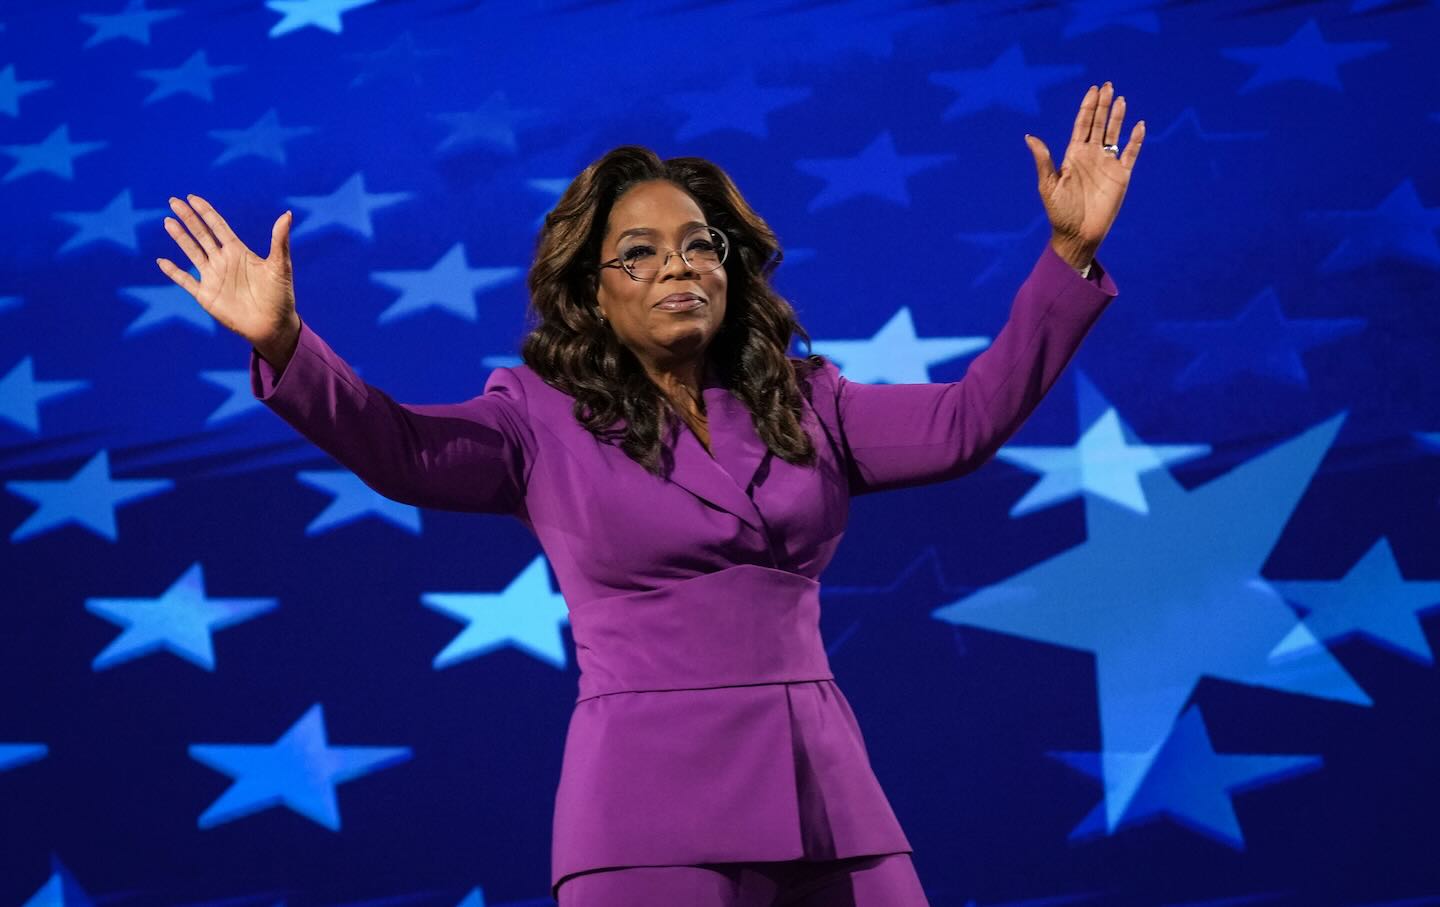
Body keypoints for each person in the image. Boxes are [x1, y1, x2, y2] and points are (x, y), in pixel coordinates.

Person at [156, 82, 1143, 907]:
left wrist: (1067, 259)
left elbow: (970, 417)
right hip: (643, 814)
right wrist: (284, 343)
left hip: (829, 800)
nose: (679, 261)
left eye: (701, 243)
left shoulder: (815, 402)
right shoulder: (534, 420)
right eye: (640, 250)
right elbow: (402, 448)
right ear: (591, 290)